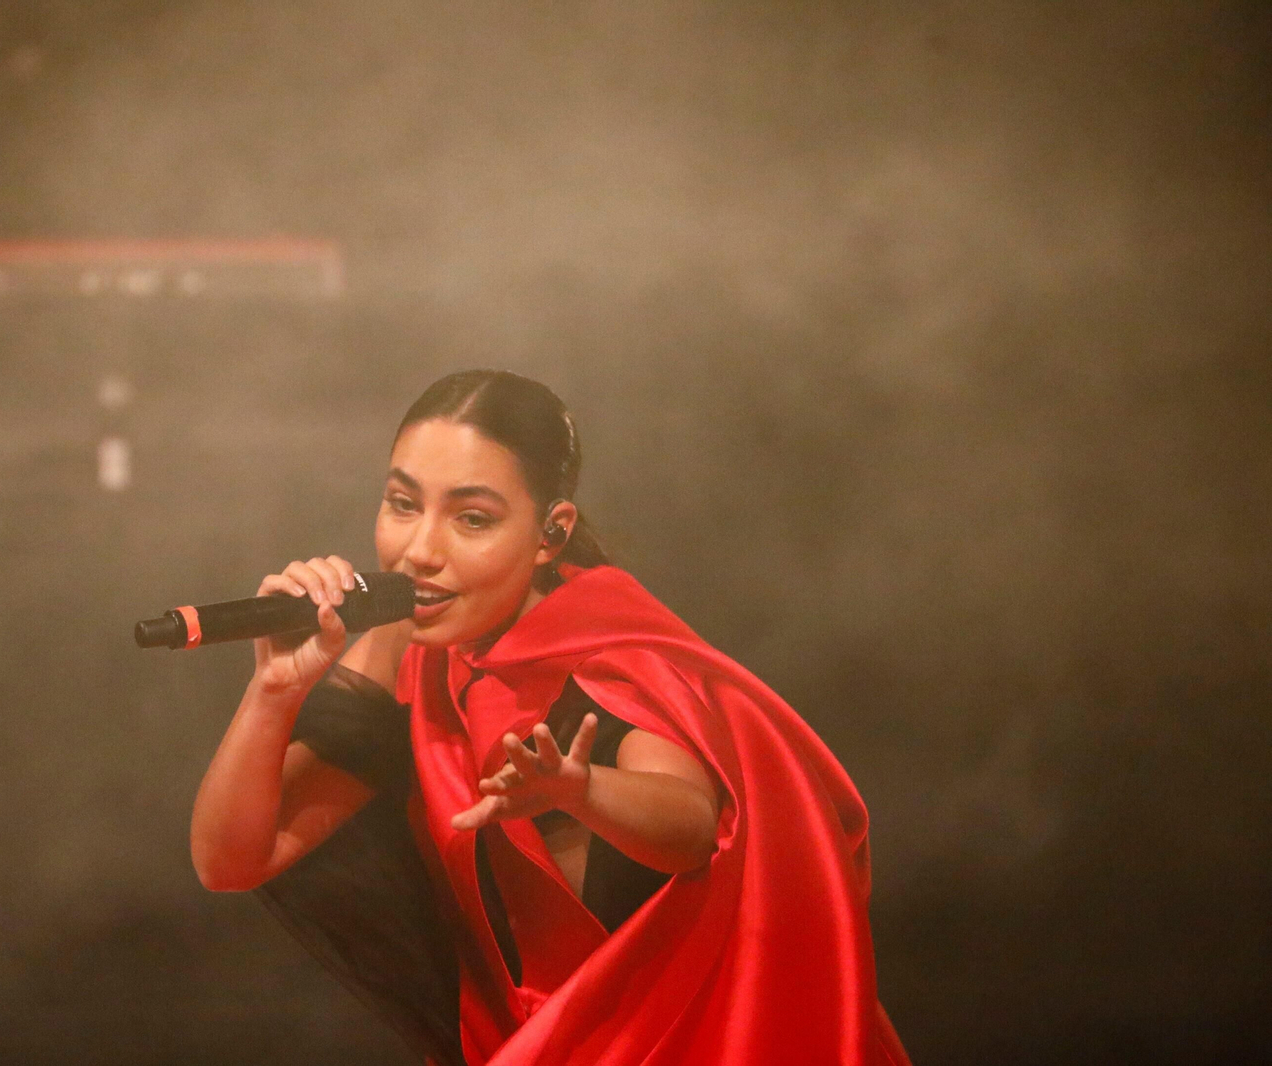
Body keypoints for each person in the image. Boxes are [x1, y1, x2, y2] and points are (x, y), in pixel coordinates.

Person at [190, 370, 910, 1066]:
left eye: (472, 518)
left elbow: (695, 826)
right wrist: (275, 692)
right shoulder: (399, 652)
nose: (418, 552)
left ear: (550, 532)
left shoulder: (614, 649)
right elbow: (233, 861)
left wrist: (578, 790)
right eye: (403, 504)